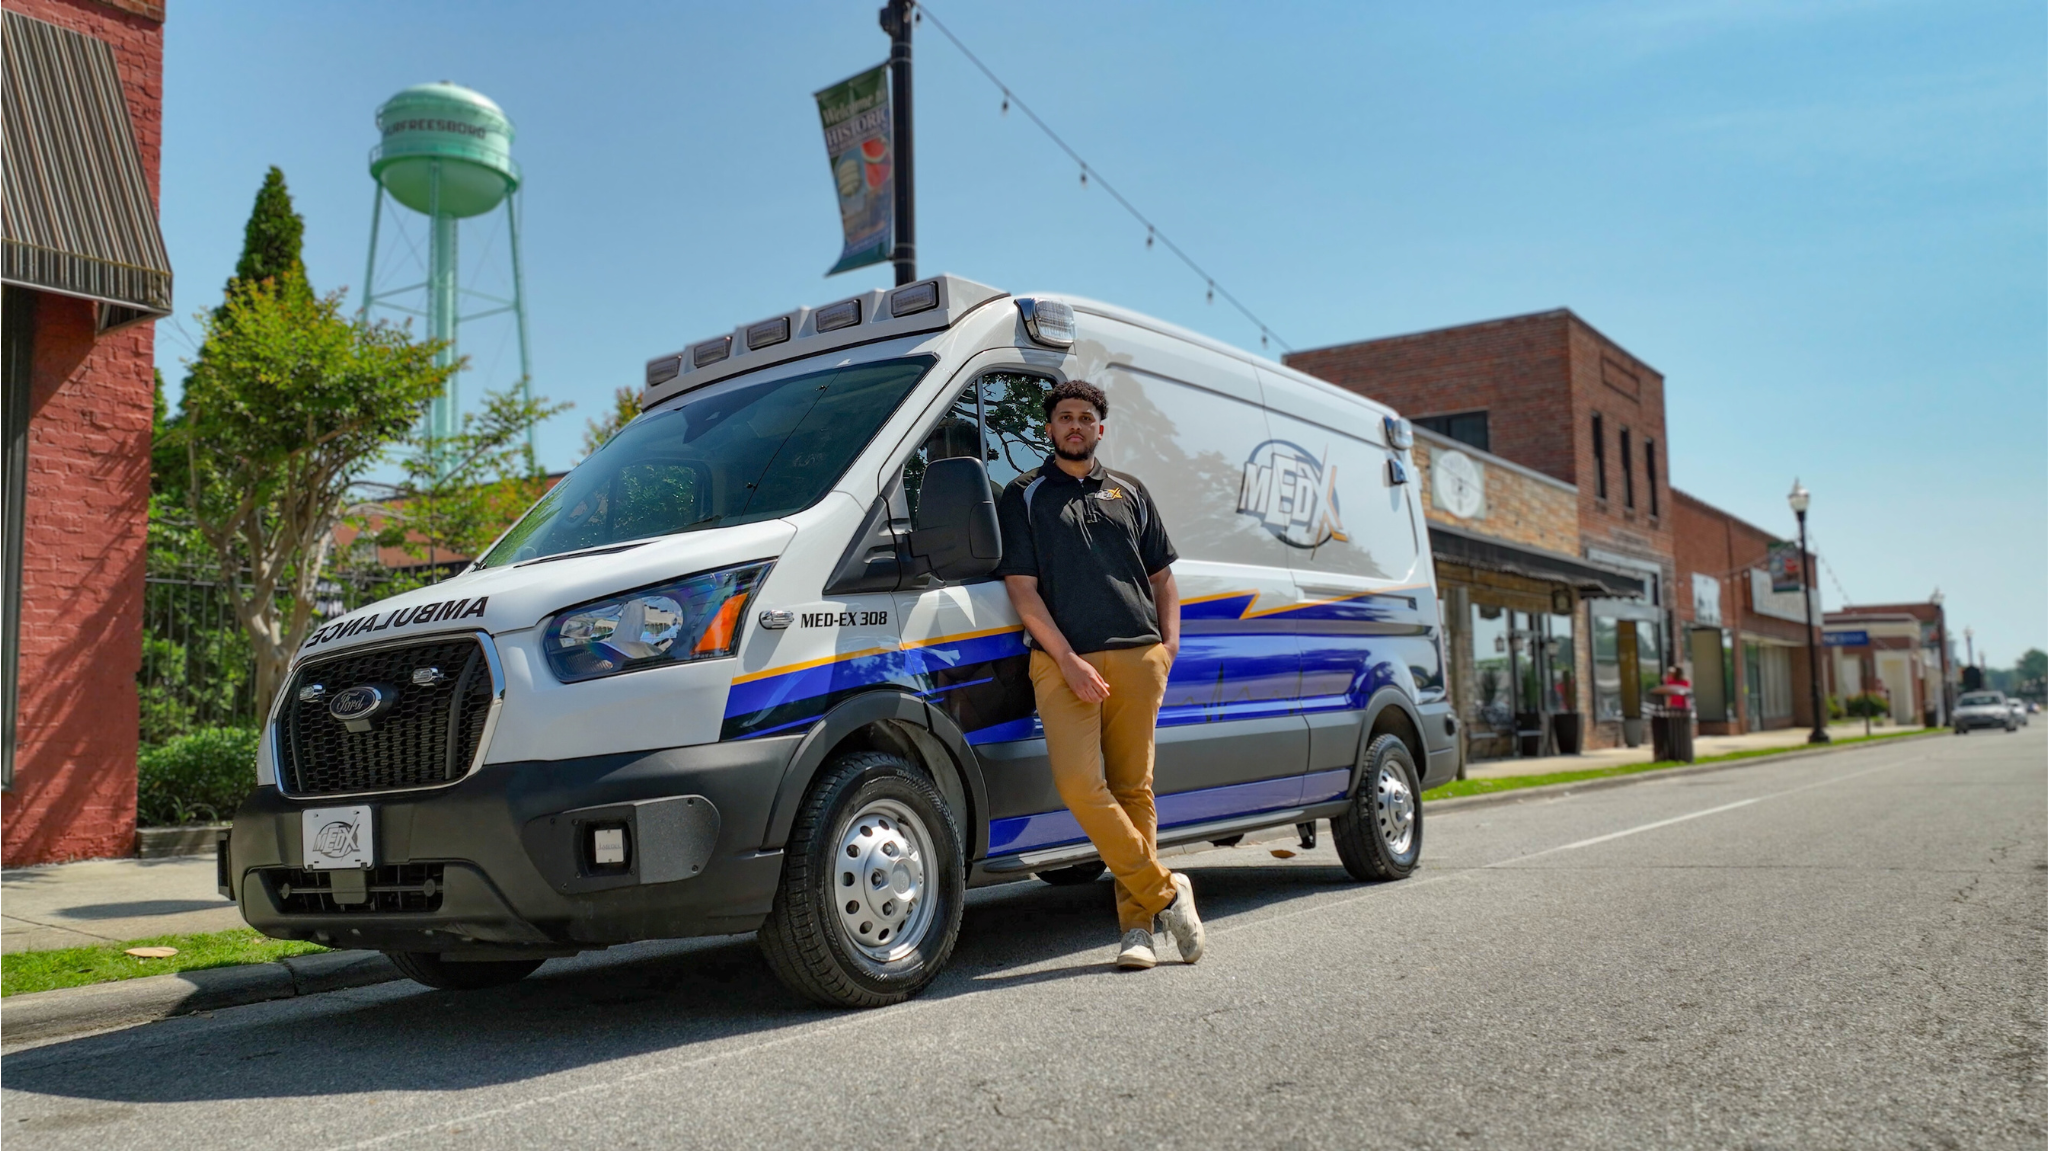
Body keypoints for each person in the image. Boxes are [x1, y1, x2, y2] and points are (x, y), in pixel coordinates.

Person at [993, 379, 1205, 970]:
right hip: (1062, 663)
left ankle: (1136, 931)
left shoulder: (1129, 491)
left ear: (1101, 428)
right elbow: (1022, 590)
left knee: (1134, 789)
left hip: (1138, 657)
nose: (1075, 426)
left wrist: (1168, 649)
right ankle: (1167, 892)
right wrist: (1067, 660)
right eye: (1065, 417)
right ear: (1050, 428)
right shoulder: (1024, 494)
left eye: (1086, 417)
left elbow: (1163, 578)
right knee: (1081, 786)